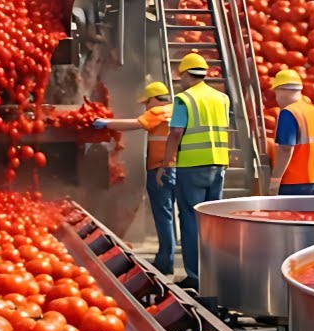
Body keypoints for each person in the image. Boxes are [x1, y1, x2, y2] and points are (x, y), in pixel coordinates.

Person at [92, 82, 177, 274]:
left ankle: (165, 262)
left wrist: (106, 123)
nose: (146, 107)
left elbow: (135, 124)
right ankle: (168, 257)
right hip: (176, 167)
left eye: (146, 102)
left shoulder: (157, 112)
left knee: (163, 216)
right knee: (170, 215)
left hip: (159, 169)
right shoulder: (175, 110)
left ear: (154, 99)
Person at [164, 53, 231, 289]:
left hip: (191, 166)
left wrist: (168, 162)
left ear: (185, 75)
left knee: (191, 220)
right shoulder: (222, 98)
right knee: (211, 222)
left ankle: (195, 276)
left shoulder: (184, 99)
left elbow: (175, 132)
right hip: (218, 164)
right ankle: (214, 275)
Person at [268, 68, 314, 195]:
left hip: (294, 182)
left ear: (281, 91)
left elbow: (285, 149)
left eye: (276, 93)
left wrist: (275, 180)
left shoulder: (288, 112)